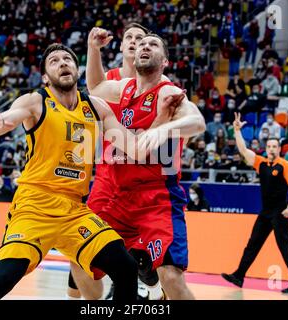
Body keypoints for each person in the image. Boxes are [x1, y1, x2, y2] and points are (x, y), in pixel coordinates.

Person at [0, 43, 183, 301]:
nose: (62, 63)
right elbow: (5, 122)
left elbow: (135, 150)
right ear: (46, 77)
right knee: (4, 278)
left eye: (67, 59)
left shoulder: (96, 107)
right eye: (55, 61)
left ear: (76, 68)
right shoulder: (36, 101)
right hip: (35, 206)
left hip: (74, 212)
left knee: (125, 267)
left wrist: (160, 118)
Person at [69, 29, 205, 300]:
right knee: (80, 253)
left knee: (170, 275)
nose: (144, 46)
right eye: (141, 43)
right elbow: (94, 86)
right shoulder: (124, 88)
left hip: (156, 198)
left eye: (152, 44)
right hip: (119, 197)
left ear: (164, 61)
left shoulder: (168, 90)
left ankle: (152, 284)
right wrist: (93, 48)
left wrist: (165, 129)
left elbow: (198, 122)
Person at [221, 113, 288, 294]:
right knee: (253, 244)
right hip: (266, 212)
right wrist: (237, 131)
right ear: (265, 148)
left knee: (284, 248)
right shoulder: (261, 163)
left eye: (274, 146)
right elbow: (244, 151)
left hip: (280, 213)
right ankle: (239, 275)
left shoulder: (285, 166)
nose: (271, 149)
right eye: (269, 146)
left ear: (280, 148)